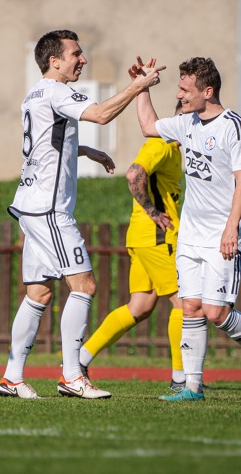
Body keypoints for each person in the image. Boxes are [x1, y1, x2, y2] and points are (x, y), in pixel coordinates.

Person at [0, 29, 164, 399]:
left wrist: (86, 151)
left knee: (39, 293)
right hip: (49, 209)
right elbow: (101, 115)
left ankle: (11, 377)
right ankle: (72, 376)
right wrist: (139, 85)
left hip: (31, 206)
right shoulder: (57, 91)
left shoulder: (35, 94)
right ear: (54, 61)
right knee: (84, 286)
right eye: (76, 54)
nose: (82, 59)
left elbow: (47, 143)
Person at [133, 56, 241, 402]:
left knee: (217, 313)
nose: (179, 95)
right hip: (190, 235)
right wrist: (141, 86)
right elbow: (148, 126)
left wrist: (231, 229)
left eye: (185, 89)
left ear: (207, 91)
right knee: (191, 307)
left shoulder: (235, 127)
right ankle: (192, 388)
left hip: (221, 234)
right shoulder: (187, 123)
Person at [79, 108, 186, 393]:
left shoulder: (173, 149)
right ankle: (181, 380)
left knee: (140, 306)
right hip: (156, 237)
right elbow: (134, 174)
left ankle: (80, 359)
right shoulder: (162, 145)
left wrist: (142, 88)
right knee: (183, 303)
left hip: (143, 237)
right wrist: (153, 212)